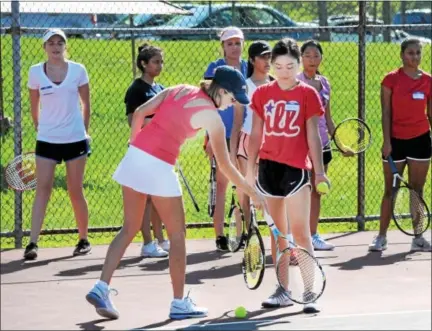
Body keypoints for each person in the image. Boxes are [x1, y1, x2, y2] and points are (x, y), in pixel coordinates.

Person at [85, 66, 266, 320]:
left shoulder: (180, 89)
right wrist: (251, 191)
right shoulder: (212, 118)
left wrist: (134, 145)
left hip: (134, 158)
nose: (232, 104)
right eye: (232, 98)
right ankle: (179, 303)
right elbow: (225, 165)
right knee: (178, 234)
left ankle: (100, 287)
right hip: (159, 166)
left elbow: (139, 113)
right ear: (221, 91)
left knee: (129, 228)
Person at [246, 38, 330, 313]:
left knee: (301, 234)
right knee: (278, 234)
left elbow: (313, 136)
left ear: (298, 65)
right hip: (268, 169)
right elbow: (256, 133)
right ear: (271, 65)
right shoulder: (261, 94)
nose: (284, 71)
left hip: (296, 169)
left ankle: (309, 291)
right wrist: (250, 172)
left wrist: (319, 172)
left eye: (290, 66)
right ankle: (283, 289)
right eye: (278, 66)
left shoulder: (307, 94)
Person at [24, 28, 92, 260]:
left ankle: (83, 239)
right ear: (44, 47)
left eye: (59, 42)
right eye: (51, 43)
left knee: (75, 190)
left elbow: (86, 104)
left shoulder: (78, 70)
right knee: (43, 190)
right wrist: (41, 127)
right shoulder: (35, 72)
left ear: (65, 46)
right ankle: (32, 242)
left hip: (75, 139)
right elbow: (34, 106)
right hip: (47, 140)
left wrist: (84, 133)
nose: (55, 46)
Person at [369, 38, 431, 252]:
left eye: (418, 53)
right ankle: (381, 237)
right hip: (395, 142)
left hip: (421, 141)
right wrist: (387, 142)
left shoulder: (429, 81)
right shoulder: (390, 80)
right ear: (402, 55)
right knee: (390, 190)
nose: (414, 57)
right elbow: (385, 112)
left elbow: (430, 114)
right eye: (410, 53)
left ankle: (418, 237)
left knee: (417, 190)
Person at [203, 26, 248, 251]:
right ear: (223, 46)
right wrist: (209, 135)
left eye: (237, 43)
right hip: (221, 133)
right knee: (222, 185)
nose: (234, 47)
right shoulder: (215, 68)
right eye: (229, 43)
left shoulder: (248, 67)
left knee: (243, 184)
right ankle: (220, 234)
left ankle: (242, 233)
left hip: (244, 135)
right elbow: (208, 102)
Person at [124, 43, 169, 258]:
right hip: (143, 150)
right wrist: (156, 120)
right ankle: (148, 243)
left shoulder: (159, 89)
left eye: (161, 62)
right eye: (155, 62)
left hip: (160, 149)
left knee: (158, 196)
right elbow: (134, 121)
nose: (160, 66)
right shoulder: (136, 90)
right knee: (146, 198)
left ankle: (161, 239)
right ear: (144, 64)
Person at [297, 40, 338, 251]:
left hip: (323, 144)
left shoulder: (325, 83)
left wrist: (339, 142)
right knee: (298, 192)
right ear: (300, 58)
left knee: (317, 191)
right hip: (300, 146)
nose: (312, 59)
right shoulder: (295, 82)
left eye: (316, 55)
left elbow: (328, 118)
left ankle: (313, 235)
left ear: (321, 58)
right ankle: (297, 237)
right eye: (308, 55)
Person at [231, 40, 272, 228]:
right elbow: (237, 122)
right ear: (252, 60)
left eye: (269, 56)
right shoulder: (244, 86)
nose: (267, 60)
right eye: (263, 57)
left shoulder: (277, 84)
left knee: (271, 191)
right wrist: (232, 153)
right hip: (247, 141)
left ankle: (278, 236)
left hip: (271, 143)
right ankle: (249, 232)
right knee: (247, 188)